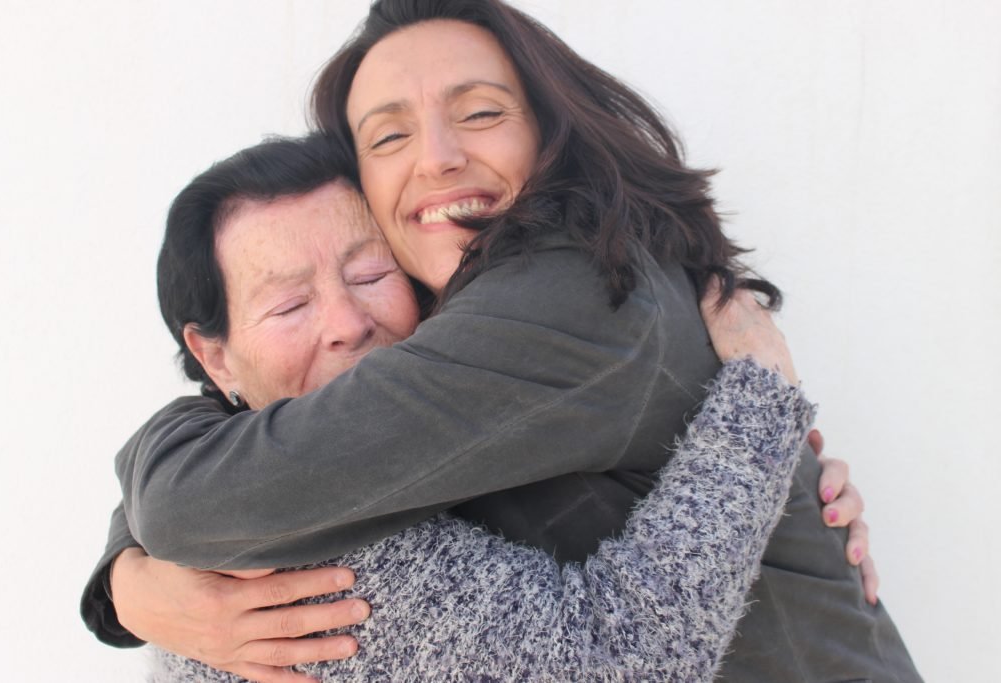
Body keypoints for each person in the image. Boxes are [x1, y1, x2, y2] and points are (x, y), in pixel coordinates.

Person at [83, 0, 920, 681]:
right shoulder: (470, 311)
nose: (438, 159)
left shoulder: (571, 297)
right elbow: (272, 459)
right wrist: (127, 576)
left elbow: (209, 495)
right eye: (389, 136)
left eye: (480, 113)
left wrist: (760, 417)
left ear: (550, 131)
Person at [122, 131, 811, 681]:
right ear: (214, 356)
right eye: (290, 305)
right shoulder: (306, 565)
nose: (347, 323)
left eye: (370, 273)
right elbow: (624, 662)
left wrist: (800, 495)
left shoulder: (258, 479)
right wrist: (757, 414)